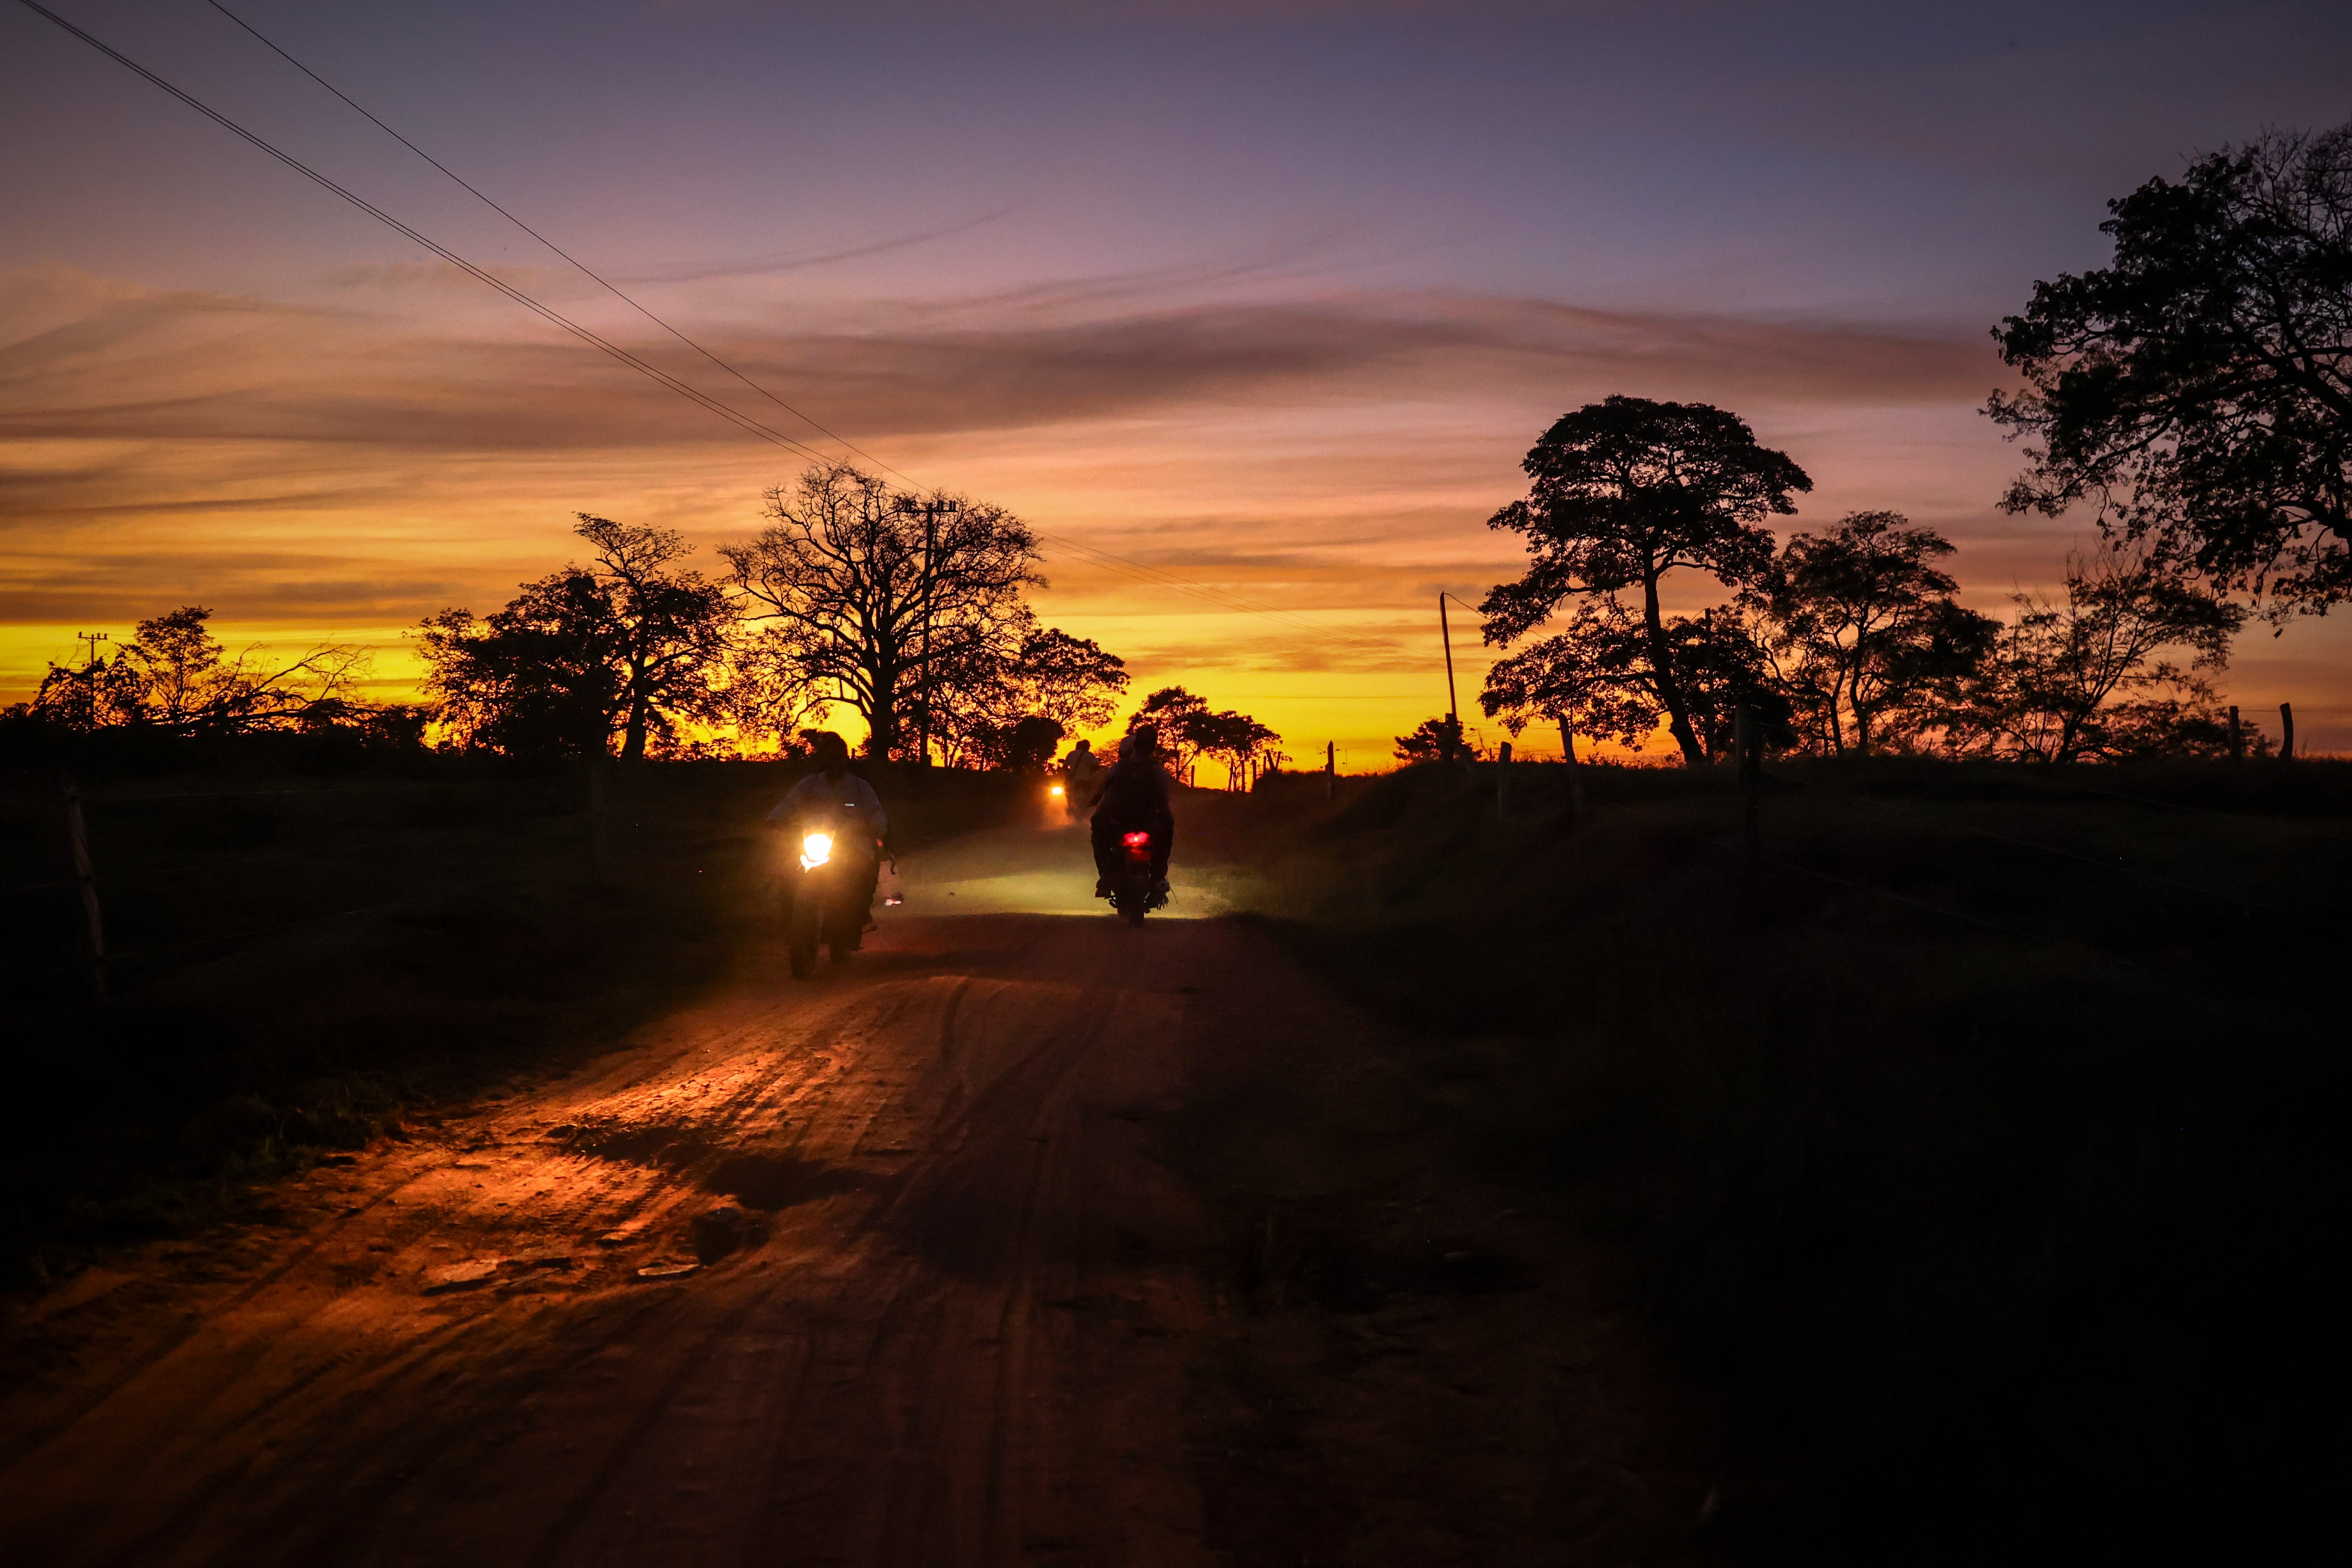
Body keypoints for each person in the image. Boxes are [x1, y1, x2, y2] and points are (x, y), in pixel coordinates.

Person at [767, 732, 889, 950]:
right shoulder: (810, 784)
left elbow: (875, 811)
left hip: (851, 844)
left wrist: (874, 827)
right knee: (786, 875)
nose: (834, 763)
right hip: (814, 840)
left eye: (838, 758)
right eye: (829, 758)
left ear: (846, 759)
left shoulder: (860, 787)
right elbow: (789, 802)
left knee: (858, 879)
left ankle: (855, 920)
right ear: (822, 760)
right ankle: (791, 925)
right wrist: (775, 820)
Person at [1089, 730, 1174, 899]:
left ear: (1135, 746)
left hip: (1119, 822)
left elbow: (1106, 791)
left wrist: (1096, 807)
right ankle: (1159, 877)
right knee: (1167, 832)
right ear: (1153, 747)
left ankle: (1106, 875)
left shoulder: (1118, 768)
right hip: (1148, 822)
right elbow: (1164, 798)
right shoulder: (1156, 771)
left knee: (1097, 833)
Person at [1061, 738, 1101, 820]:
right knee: (1087, 797)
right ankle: (1086, 811)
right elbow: (1096, 768)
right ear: (1088, 747)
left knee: (1068, 793)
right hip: (1086, 781)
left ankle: (1070, 807)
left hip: (1074, 781)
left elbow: (1064, 768)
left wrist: (1070, 773)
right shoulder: (1090, 755)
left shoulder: (1072, 754)